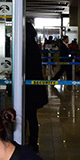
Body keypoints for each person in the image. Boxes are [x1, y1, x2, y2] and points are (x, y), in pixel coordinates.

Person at [24, 22, 48, 152]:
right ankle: (32, 141)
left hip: (30, 88)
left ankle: (32, 142)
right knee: (31, 117)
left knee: (30, 117)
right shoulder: (33, 45)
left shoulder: (28, 47)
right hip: (32, 88)